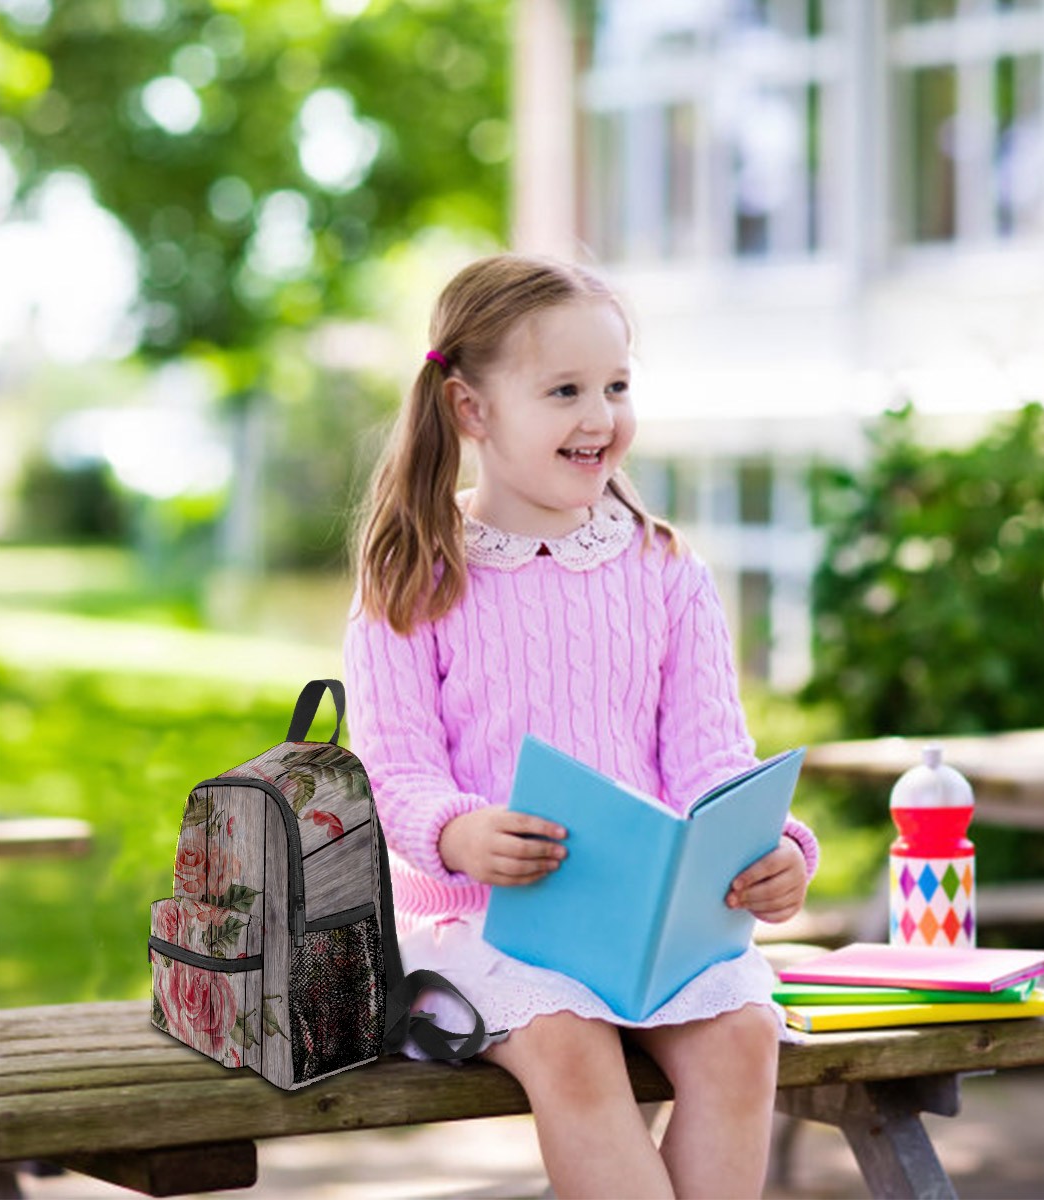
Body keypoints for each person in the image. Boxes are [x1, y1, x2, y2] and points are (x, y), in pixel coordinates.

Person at [344, 253, 819, 1199]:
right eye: (565, 390)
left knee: (743, 1035)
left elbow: (712, 760)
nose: (600, 416)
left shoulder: (666, 570)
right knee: (570, 1046)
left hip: (645, 925)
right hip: (479, 926)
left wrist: (773, 850)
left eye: (616, 386)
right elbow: (392, 772)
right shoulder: (415, 575)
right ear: (471, 409)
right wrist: (460, 833)